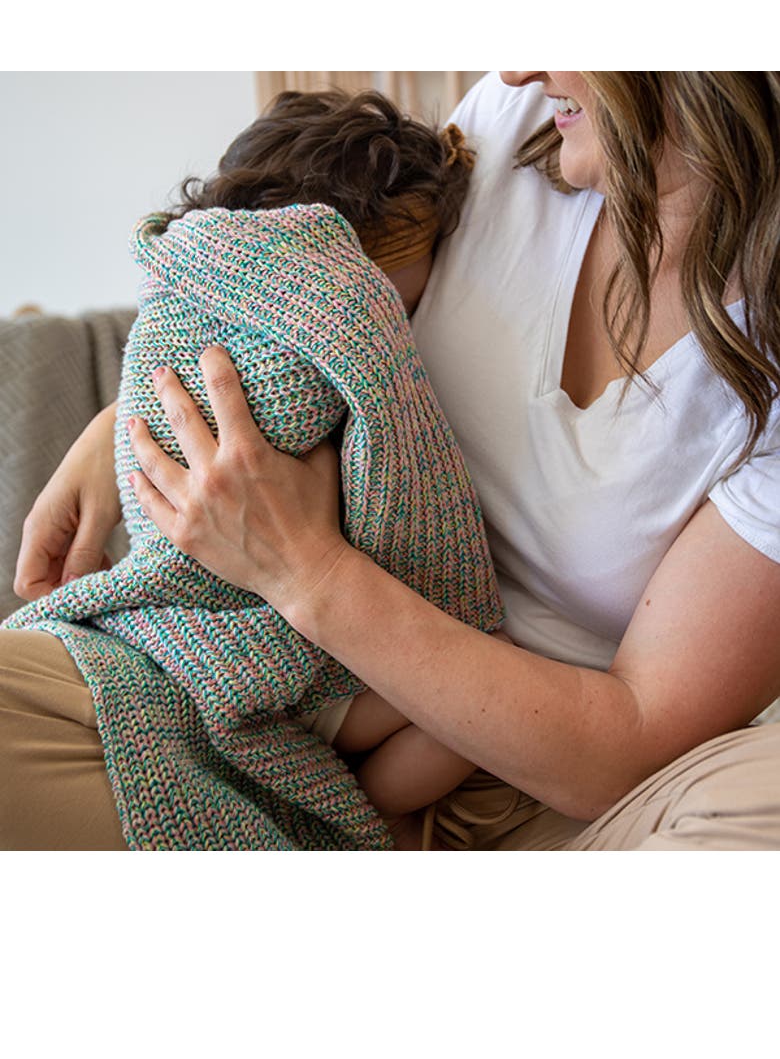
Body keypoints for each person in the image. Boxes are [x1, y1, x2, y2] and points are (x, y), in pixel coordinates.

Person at [7, 71, 780, 851]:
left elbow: (632, 738)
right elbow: (316, 301)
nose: (514, 66)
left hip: (525, 765)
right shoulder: (518, 120)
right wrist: (141, 428)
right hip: (254, 649)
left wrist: (307, 571)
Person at [1, 88, 502, 850]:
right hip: (242, 643)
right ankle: (353, 813)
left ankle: (336, 805)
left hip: (225, 637)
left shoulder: (189, 279)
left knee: (473, 706)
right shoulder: (315, 321)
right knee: (474, 707)